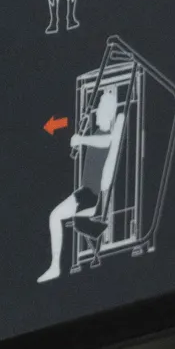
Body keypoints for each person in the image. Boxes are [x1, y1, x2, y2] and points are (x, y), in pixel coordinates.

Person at [43, 85, 125, 282]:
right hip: (83, 192)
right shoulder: (96, 132)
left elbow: (105, 142)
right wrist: (79, 138)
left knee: (74, 222)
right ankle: (55, 266)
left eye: (100, 109)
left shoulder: (107, 135)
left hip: (91, 195)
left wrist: (81, 139)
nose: (96, 112)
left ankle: (99, 229)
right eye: (98, 108)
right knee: (55, 216)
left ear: (108, 113)